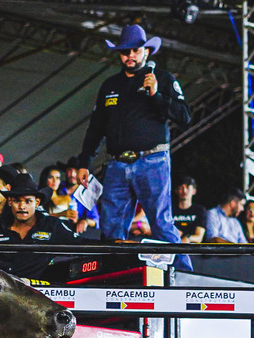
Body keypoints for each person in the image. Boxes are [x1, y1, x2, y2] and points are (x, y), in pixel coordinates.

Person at [74, 24, 192, 269]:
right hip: (117, 163)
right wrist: (84, 161)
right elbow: (96, 127)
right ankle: (111, 275)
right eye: (125, 51)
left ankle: (183, 274)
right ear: (119, 54)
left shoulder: (163, 79)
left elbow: (184, 116)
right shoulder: (110, 85)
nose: (130, 56)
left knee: (160, 222)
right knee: (111, 226)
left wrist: (156, 95)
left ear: (146, 52)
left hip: (152, 160)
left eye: (135, 51)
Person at [0, 173, 79, 279]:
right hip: (1, 287)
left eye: (28, 201)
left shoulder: (51, 225)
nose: (22, 206)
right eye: (17, 201)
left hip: (38, 288)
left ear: (37, 203)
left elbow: (82, 244)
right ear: (10, 202)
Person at [172, 176, 205, 242]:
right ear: (176, 191)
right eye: (181, 188)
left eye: (188, 188)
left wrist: (188, 238)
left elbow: (199, 237)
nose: (184, 191)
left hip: (192, 246)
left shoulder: (199, 210)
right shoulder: (170, 210)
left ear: (194, 191)